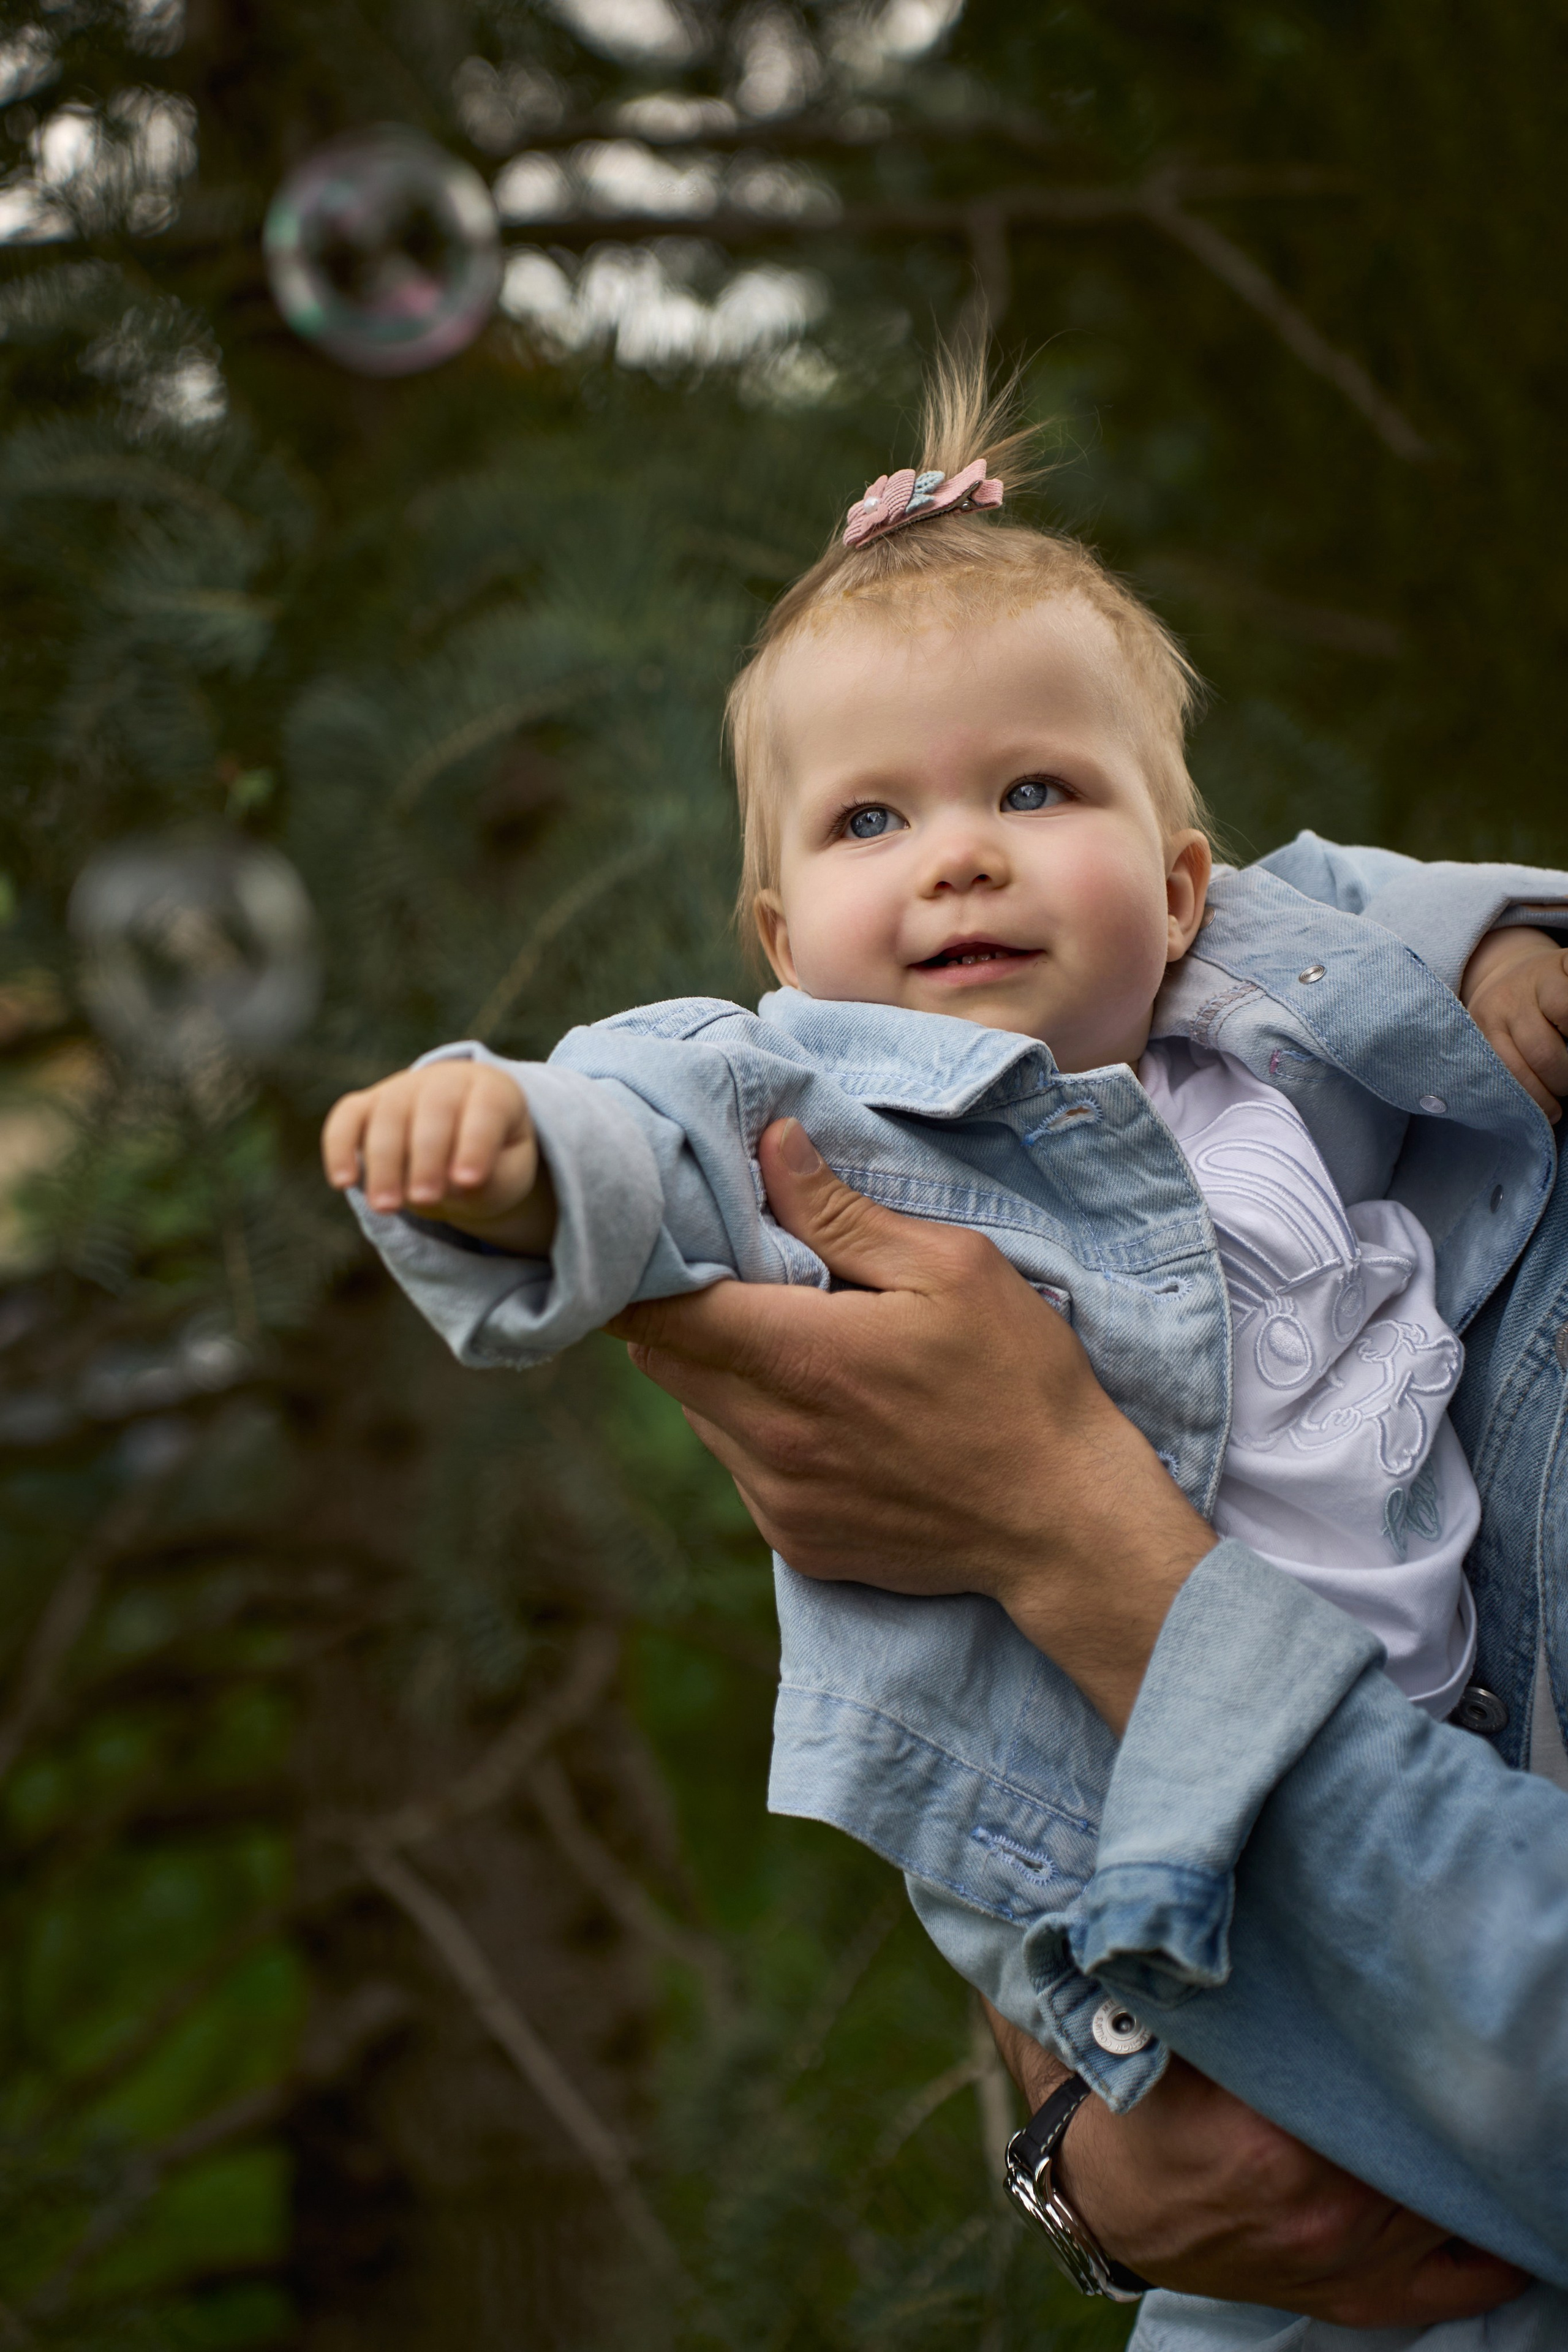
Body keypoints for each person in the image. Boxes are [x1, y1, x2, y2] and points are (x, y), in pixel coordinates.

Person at [321, 358, 1568, 2344]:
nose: (960, 855)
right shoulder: (821, 1095)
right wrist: (503, 1153)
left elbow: (1354, 912)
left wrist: (1500, 938)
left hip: (1432, 1779)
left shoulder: (1273, 1032)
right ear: (783, 930)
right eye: (874, 818)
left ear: (1178, 889)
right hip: (1139, 1886)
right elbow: (640, 1121)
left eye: (1036, 792)